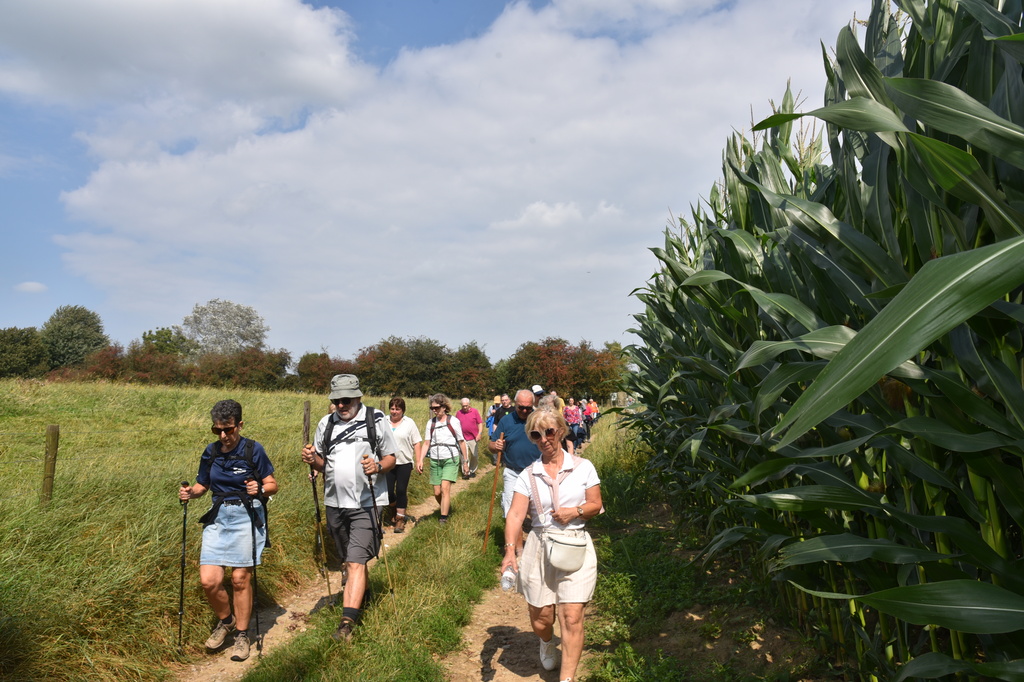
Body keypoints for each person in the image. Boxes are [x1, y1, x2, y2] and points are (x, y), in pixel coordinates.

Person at [500, 408, 602, 682]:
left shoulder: (584, 467)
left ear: (561, 430)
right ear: (532, 439)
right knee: (542, 618)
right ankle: (546, 641)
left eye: (549, 431)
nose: (544, 438)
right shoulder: (528, 475)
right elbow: (516, 515)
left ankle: (566, 678)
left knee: (571, 616)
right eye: (536, 434)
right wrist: (510, 550)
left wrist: (576, 512)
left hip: (575, 545)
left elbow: (596, 504)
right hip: (539, 547)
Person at [178, 399, 279, 662]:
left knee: (239, 580)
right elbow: (203, 485)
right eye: (217, 430)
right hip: (218, 516)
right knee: (209, 581)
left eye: (229, 429)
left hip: (247, 515)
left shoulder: (253, 450)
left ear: (240, 425)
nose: (223, 435)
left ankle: (243, 635)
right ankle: (227, 621)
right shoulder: (211, 452)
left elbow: (272, 484)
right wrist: (191, 493)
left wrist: (260, 489)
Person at [301, 374, 398, 642]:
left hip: (367, 502)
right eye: (337, 400)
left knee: (356, 561)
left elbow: (392, 456)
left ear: (357, 397)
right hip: (334, 502)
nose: (341, 405)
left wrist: (377, 466)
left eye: (346, 400)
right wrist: (312, 459)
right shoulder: (325, 423)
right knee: (347, 559)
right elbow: (322, 464)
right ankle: (359, 594)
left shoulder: (375, 419)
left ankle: (347, 624)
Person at [487, 388, 542, 554]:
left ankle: (541, 548)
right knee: (513, 512)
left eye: (528, 408)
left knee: (540, 511)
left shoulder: (538, 419)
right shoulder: (506, 420)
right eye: (521, 408)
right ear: (515, 404)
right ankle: (518, 551)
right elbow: (491, 444)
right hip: (513, 472)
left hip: (537, 472)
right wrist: (495, 446)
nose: (525, 411)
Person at [415, 393, 466, 525]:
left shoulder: (453, 421)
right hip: (435, 460)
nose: (434, 410)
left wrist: (465, 462)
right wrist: (420, 460)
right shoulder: (430, 423)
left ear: (444, 407)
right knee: (437, 492)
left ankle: (443, 517)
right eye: (432, 408)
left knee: (445, 488)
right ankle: (445, 506)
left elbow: (461, 442)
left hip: (450, 459)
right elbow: (427, 443)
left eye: (436, 407)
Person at [386, 397, 421, 534]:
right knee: (388, 491)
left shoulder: (409, 423)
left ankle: (400, 519)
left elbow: (417, 442)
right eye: (392, 409)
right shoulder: (384, 421)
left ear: (402, 410)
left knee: (401, 490)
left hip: (404, 462)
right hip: (387, 462)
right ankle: (394, 508)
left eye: (397, 409)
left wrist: (419, 461)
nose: (394, 412)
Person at [455, 397, 484, 479]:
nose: (464, 407)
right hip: (462, 438)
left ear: (469, 405)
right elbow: (455, 424)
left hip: (473, 437)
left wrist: (479, 433)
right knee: (464, 456)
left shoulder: (475, 412)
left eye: (466, 406)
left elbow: (480, 423)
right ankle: (466, 472)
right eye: (463, 406)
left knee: (474, 455)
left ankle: (472, 470)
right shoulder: (458, 413)